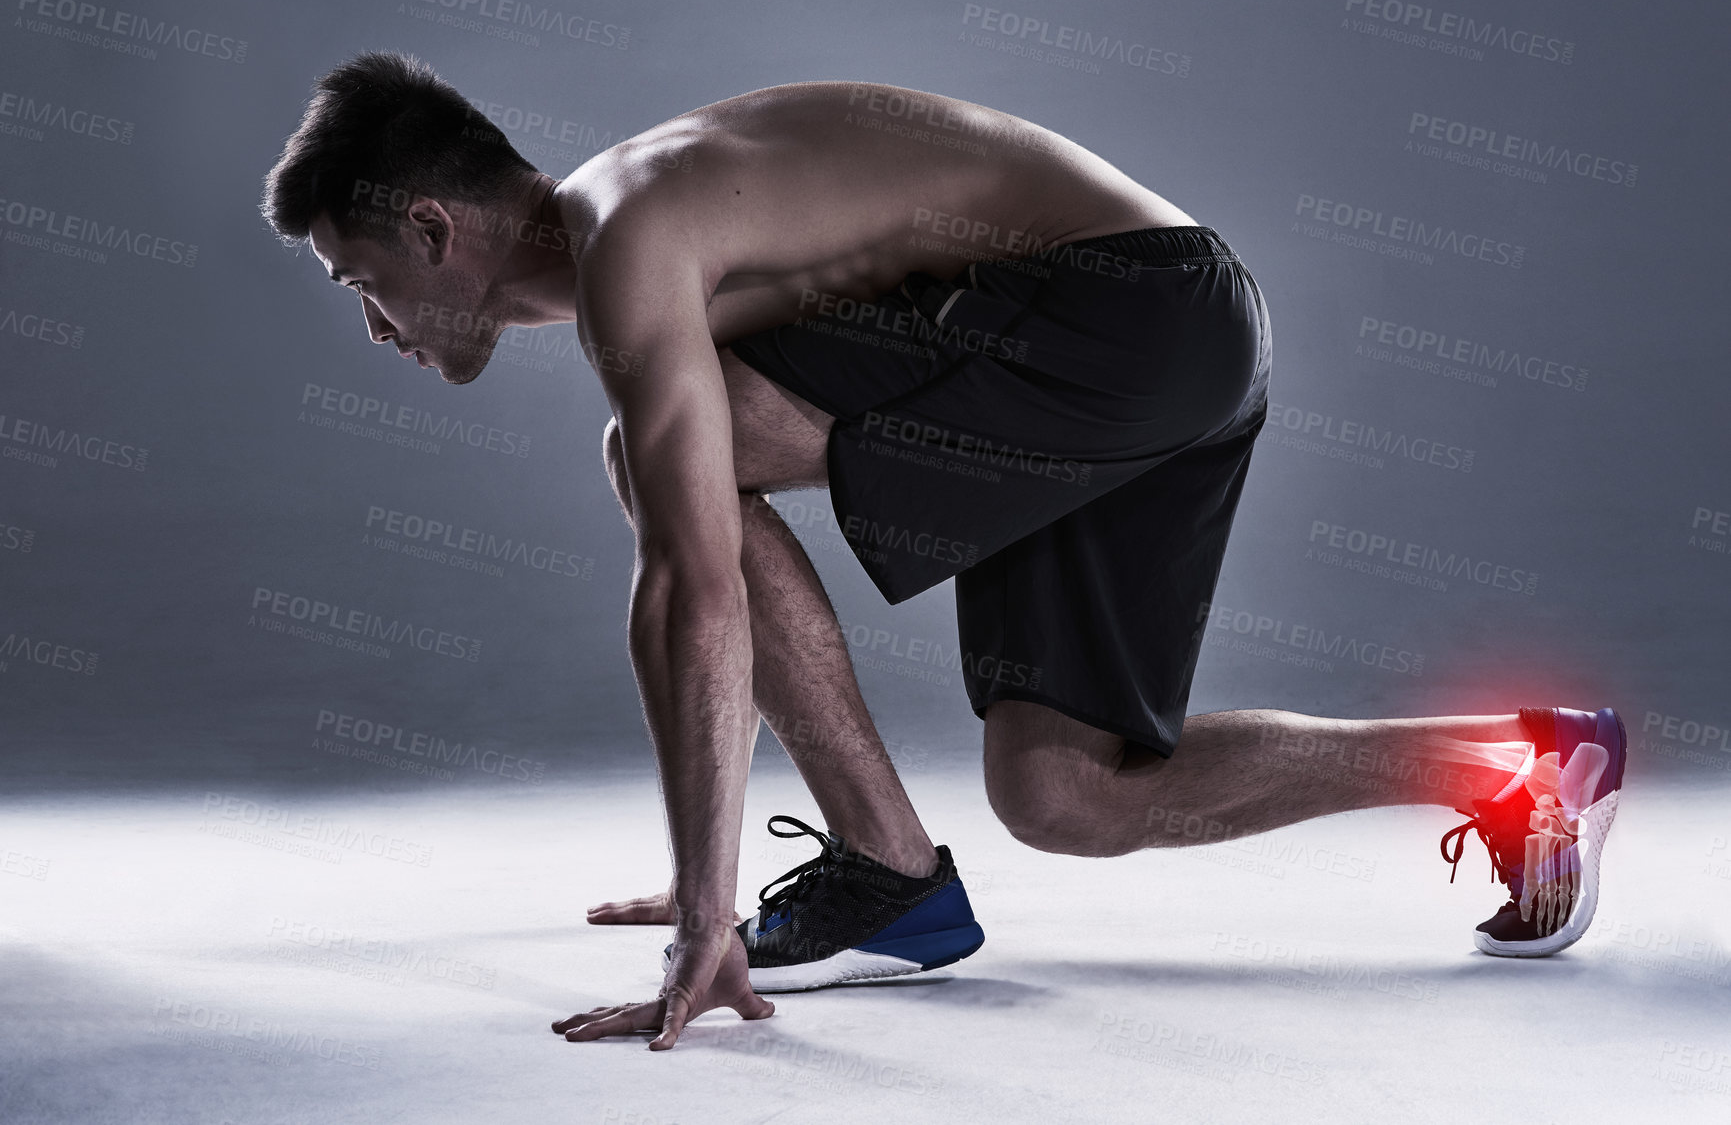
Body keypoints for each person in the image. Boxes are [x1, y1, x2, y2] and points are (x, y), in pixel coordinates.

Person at [261, 51, 1627, 1051]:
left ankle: (886, 869)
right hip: (1163, 342)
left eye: (357, 280)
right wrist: (705, 873)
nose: (373, 326)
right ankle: (1524, 765)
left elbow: (694, 587)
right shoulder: (659, 237)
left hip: (1126, 315)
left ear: (432, 229)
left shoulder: (637, 234)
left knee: (664, 457)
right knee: (1070, 796)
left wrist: (707, 918)